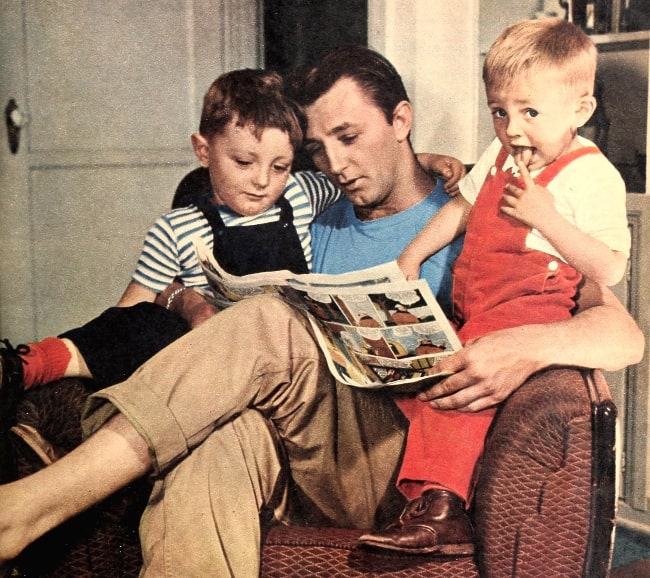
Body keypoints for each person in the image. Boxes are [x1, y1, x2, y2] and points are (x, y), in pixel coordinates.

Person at [0, 45, 644, 578]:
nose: (335, 165)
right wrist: (182, 296)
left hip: (402, 452)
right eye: (318, 149)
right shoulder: (314, 210)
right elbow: (201, 231)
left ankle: (33, 507)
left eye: (350, 137)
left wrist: (524, 347)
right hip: (297, 440)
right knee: (219, 442)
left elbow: (622, 332)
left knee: (276, 324)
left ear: (402, 120)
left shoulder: (479, 204)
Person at [361, 18, 631, 554]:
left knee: (457, 392)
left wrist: (546, 218)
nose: (513, 128)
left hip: (532, 304)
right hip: (477, 303)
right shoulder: (503, 153)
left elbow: (610, 268)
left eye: (530, 112)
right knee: (416, 380)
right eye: (500, 111)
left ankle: (442, 509)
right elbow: (462, 208)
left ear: (581, 110)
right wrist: (413, 255)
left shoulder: (593, 175)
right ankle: (448, 483)